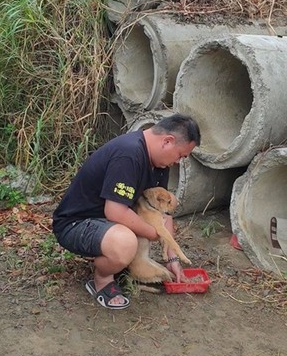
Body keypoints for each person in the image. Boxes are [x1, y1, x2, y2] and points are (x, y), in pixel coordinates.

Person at [52, 114, 201, 310]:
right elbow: (115, 211)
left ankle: (122, 265)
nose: (177, 162)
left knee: (146, 228)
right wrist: (154, 233)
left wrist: (172, 258)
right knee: (125, 243)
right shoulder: (129, 154)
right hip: (77, 224)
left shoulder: (159, 163)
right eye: (180, 155)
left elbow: (162, 215)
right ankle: (103, 280)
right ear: (167, 141)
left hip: (105, 223)